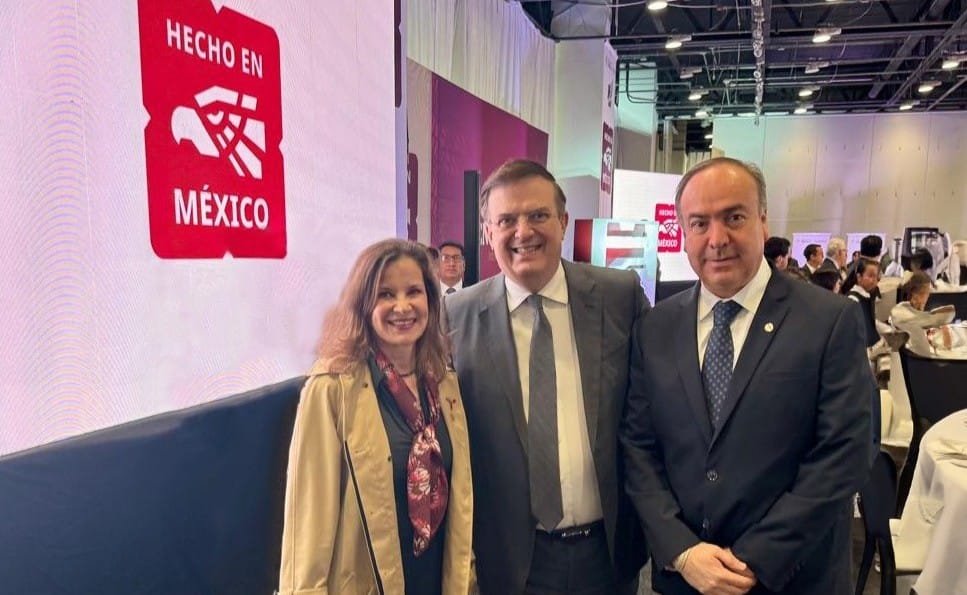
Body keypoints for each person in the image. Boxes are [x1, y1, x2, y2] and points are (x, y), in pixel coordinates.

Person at [622, 157, 873, 594]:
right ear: (684, 234)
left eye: (734, 217)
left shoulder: (829, 321)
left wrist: (754, 558)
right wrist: (681, 550)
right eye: (699, 223)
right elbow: (639, 448)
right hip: (687, 578)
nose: (717, 239)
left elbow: (843, 456)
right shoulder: (655, 327)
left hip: (791, 578)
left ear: (763, 221)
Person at [445, 159, 648, 594]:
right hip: (512, 562)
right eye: (506, 220)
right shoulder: (455, 317)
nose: (523, 232)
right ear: (488, 232)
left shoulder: (619, 297)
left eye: (538, 215)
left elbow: (654, 410)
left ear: (563, 222)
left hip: (607, 555)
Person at [279, 239, 474, 595]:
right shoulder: (332, 388)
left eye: (413, 291)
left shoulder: (443, 382)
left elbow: (460, 500)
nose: (402, 306)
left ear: (430, 300)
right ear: (364, 304)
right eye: (385, 294)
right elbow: (306, 526)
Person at [841, 258, 881, 348]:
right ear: (859, 277)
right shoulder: (853, 300)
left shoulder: (867, 296)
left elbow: (870, 322)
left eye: (876, 277)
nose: (874, 280)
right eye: (870, 276)